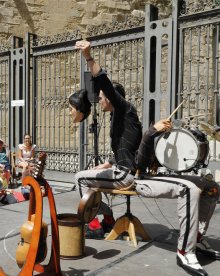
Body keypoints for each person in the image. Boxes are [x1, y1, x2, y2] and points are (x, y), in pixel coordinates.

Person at [133, 119, 220, 276]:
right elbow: (137, 163)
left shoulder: (133, 121)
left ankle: (196, 237)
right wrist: (151, 132)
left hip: (152, 175)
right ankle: (184, 252)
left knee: (211, 187)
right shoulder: (126, 119)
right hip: (138, 179)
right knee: (190, 190)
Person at [74, 40, 142, 238]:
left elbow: (104, 82)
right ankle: (109, 219)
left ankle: (93, 225)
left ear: (112, 99)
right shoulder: (119, 116)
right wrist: (106, 164)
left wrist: (88, 57)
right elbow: (128, 147)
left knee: (80, 179)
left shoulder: (124, 109)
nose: (100, 100)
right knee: (93, 177)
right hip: (120, 170)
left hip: (125, 175)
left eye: (102, 97)